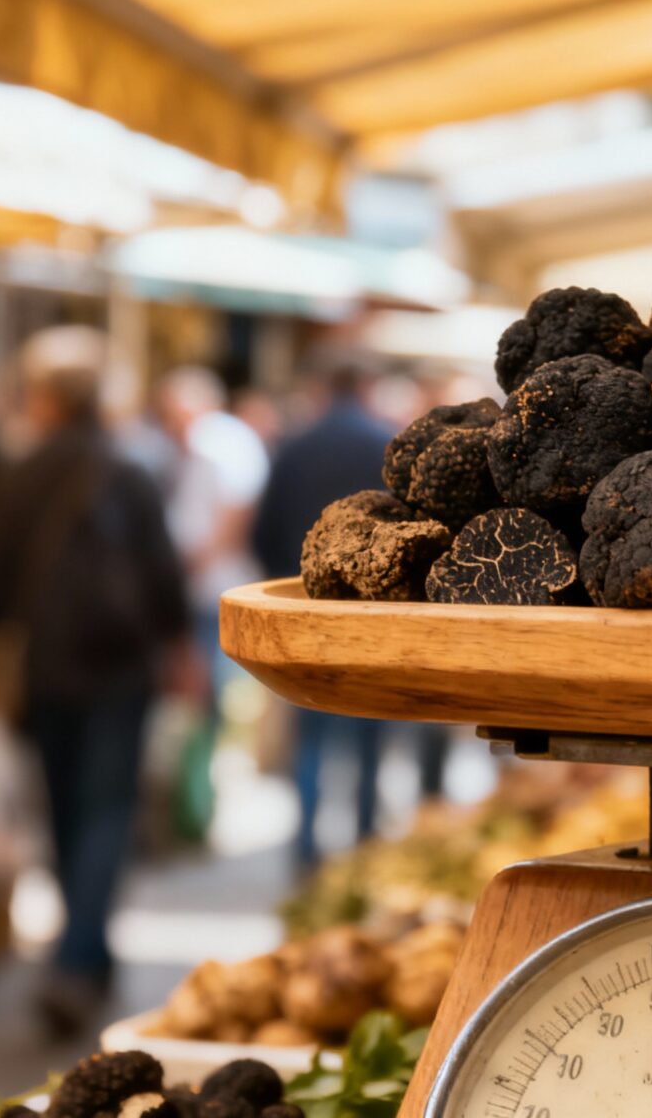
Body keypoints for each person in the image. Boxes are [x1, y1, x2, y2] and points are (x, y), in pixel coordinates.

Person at [0, 327, 191, 1035]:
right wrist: (179, 648)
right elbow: (164, 575)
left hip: (47, 668)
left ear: (44, 397)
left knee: (67, 812)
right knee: (105, 813)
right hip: (120, 669)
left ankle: (76, 956)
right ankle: (81, 959)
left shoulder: (18, 471)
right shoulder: (128, 470)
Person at [251, 364, 442, 868]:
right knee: (369, 732)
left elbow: (262, 531)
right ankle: (363, 846)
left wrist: (292, 578)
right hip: (372, 617)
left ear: (322, 387)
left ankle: (306, 849)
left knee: (311, 736)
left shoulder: (294, 446)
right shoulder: (383, 444)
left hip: (305, 614)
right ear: (365, 385)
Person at [156, 367, 269, 713]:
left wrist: (199, 558)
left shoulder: (216, 439)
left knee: (214, 681)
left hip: (214, 579)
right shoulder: (208, 440)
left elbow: (238, 506)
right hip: (204, 577)